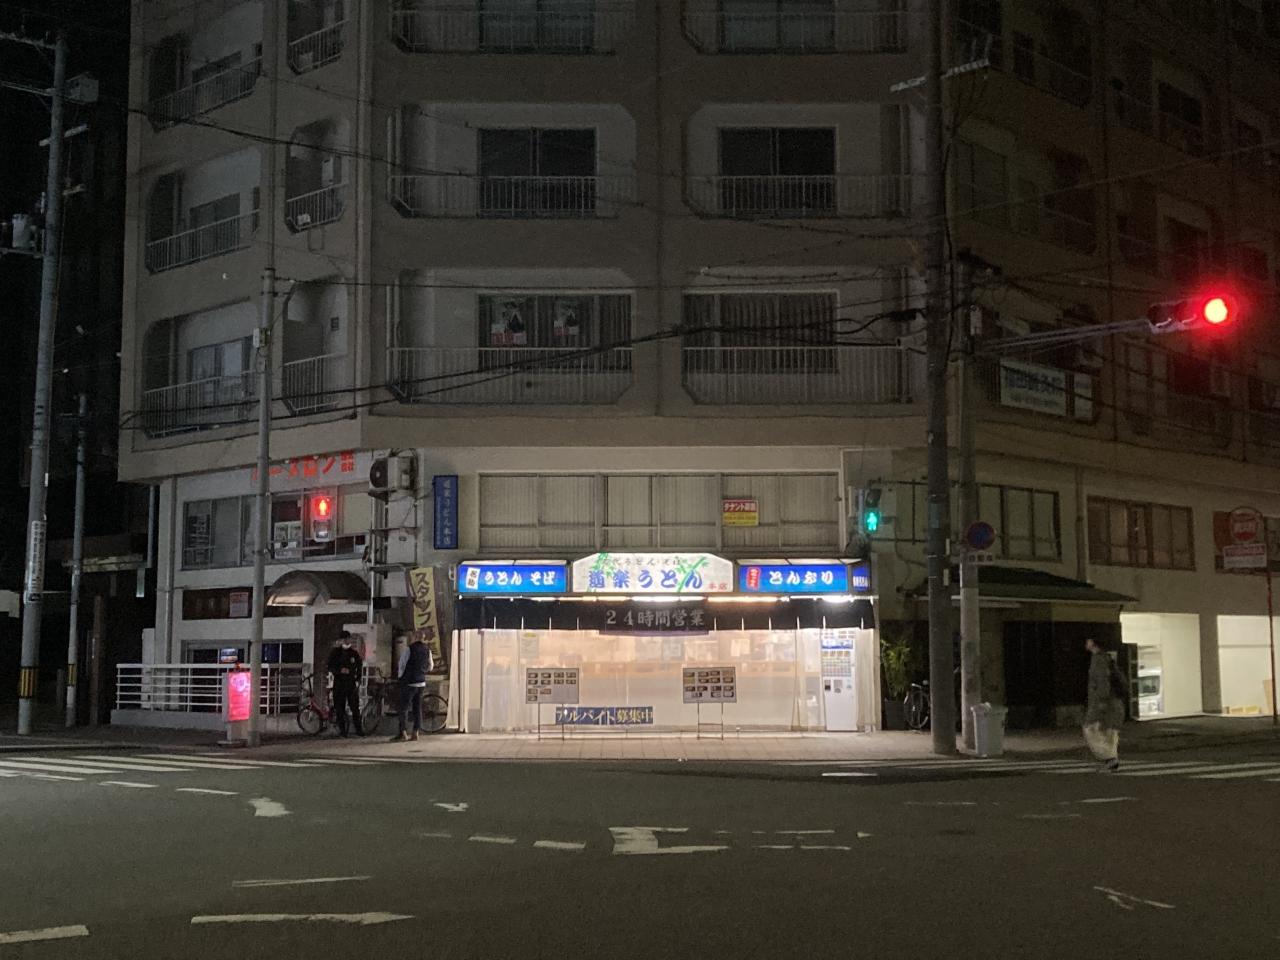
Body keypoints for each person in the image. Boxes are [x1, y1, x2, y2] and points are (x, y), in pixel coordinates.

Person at [1083, 637, 1126, 771]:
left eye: (1088, 641)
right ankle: (1111, 759)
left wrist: (1102, 700)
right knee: (1109, 731)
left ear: (1093, 643)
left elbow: (1102, 681)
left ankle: (1109, 757)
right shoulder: (1107, 657)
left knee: (1090, 729)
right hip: (1114, 701)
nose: (1086, 643)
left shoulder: (1098, 659)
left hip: (1104, 702)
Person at [394, 633, 433, 742]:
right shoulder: (427, 650)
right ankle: (415, 733)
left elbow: (402, 664)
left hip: (409, 682)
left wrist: (400, 677)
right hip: (421, 683)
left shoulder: (409, 649)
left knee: (403, 708)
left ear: (415, 637)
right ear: (423, 638)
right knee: (417, 708)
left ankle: (403, 732)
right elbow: (431, 666)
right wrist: (422, 671)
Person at [327, 630, 364, 737]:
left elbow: (359, 666)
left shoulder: (354, 653)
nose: (346, 640)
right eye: (344, 639)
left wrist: (358, 678)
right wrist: (339, 671)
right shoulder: (335, 653)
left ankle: (359, 730)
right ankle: (343, 731)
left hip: (350, 683)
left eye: (348, 638)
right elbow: (330, 666)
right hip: (339, 683)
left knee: (355, 707)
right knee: (340, 708)